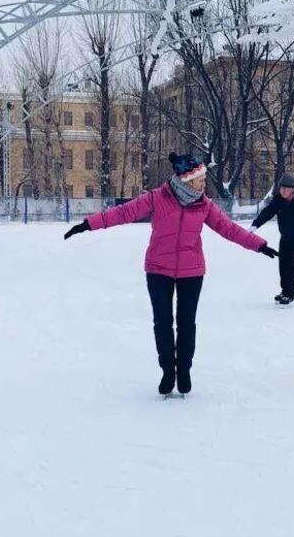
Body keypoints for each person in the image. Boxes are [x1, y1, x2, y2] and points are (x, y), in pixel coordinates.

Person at [64, 153, 278, 396]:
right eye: (200, 178)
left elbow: (228, 229)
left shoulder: (204, 204)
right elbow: (124, 212)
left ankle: (184, 369)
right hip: (158, 269)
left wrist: (258, 245)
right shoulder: (158, 197)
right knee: (163, 323)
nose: (204, 183)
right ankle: (168, 370)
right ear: (187, 179)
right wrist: (88, 224)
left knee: (187, 324)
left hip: (191, 271)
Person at [251, 173, 294, 305]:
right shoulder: (278, 200)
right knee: (282, 263)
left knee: (290, 263)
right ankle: (284, 291)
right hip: (285, 236)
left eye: (286, 188)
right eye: (281, 188)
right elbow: (267, 212)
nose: (283, 190)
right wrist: (255, 225)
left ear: (293, 189)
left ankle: (289, 294)